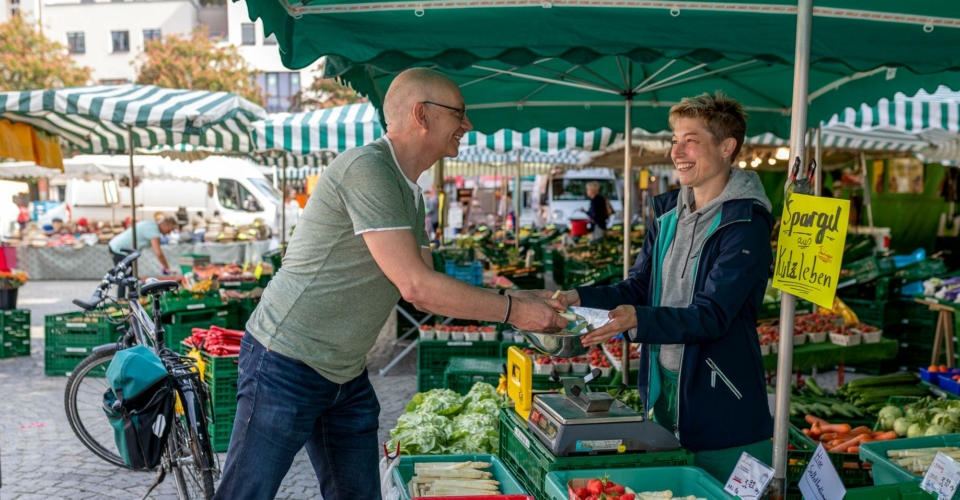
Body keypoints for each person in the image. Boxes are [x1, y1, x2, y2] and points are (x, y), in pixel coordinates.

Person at [214, 68, 568, 500]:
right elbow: (416, 287)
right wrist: (516, 312)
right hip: (286, 360)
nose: (467, 125)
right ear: (422, 114)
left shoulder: (411, 192)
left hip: (344, 372)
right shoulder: (368, 168)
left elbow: (427, 285)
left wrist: (519, 296)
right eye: (459, 113)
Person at [540, 91, 775, 482]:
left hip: (721, 401)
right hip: (665, 395)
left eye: (691, 140)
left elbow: (712, 317)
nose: (676, 151)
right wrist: (581, 297)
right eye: (674, 139)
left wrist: (639, 320)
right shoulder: (668, 214)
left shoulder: (746, 224)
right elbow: (639, 287)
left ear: (727, 146)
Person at [107, 215, 178, 298]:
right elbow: (158, 253)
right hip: (119, 249)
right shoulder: (153, 230)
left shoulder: (151, 224)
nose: (169, 233)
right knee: (124, 276)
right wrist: (167, 268)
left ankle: (129, 299)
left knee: (128, 276)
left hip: (117, 246)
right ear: (165, 225)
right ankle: (121, 300)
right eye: (170, 230)